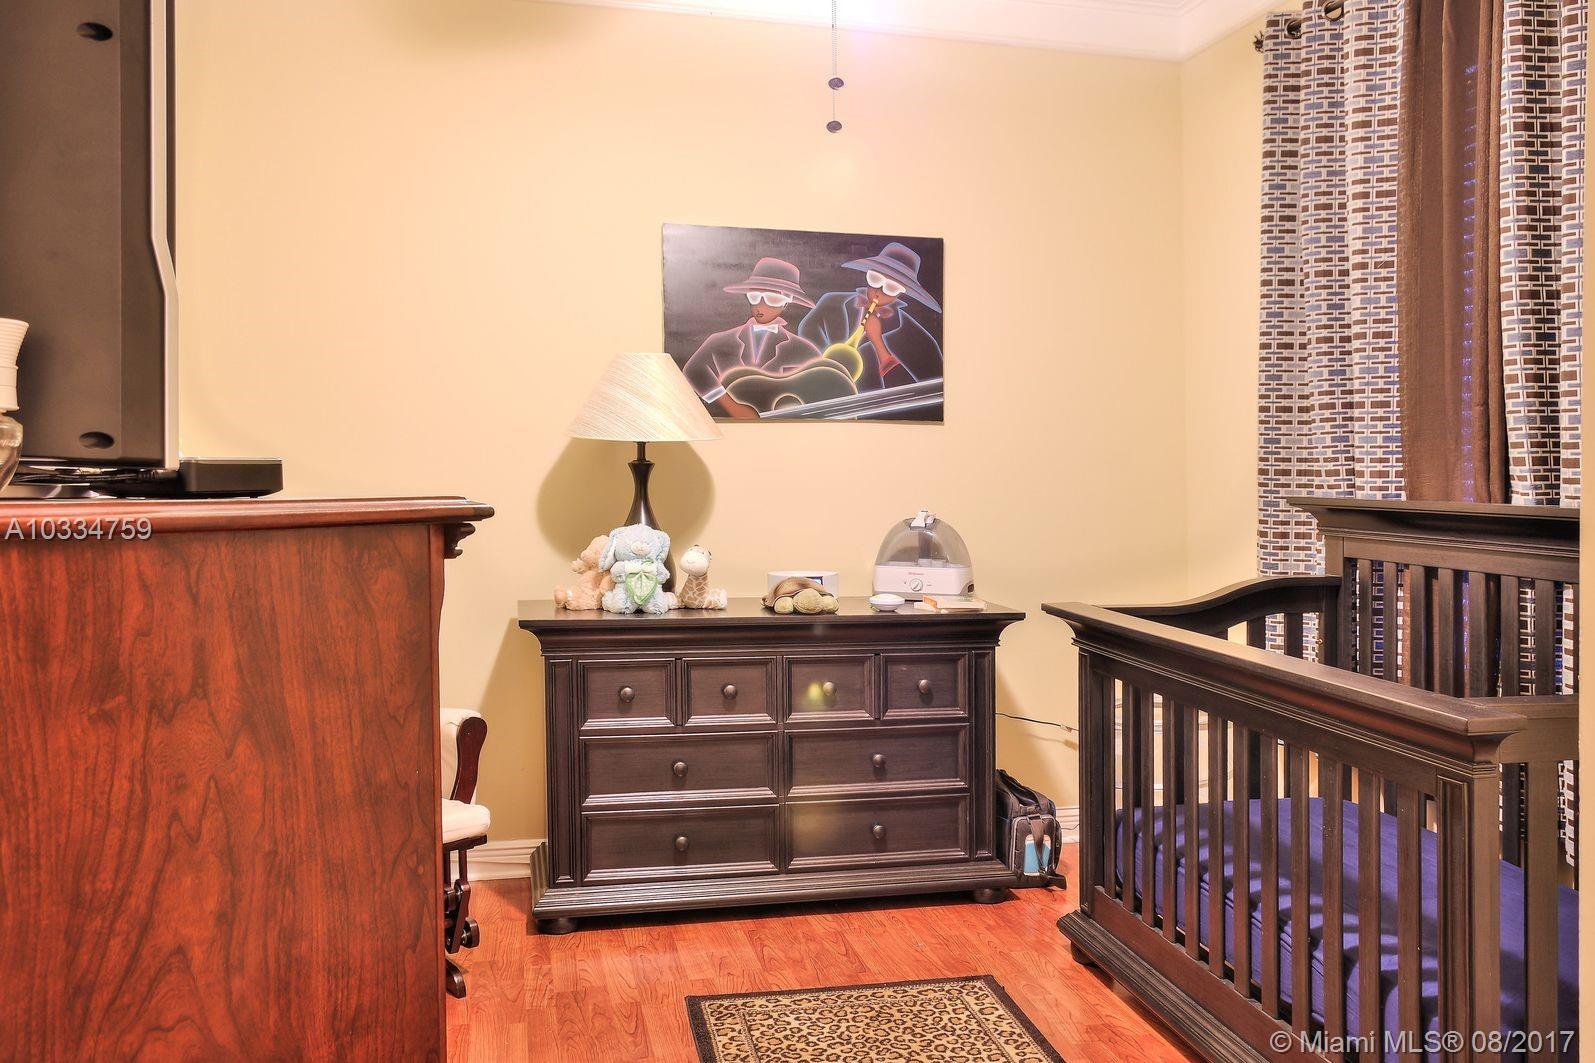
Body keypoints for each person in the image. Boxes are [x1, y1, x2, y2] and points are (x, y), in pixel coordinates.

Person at [682, 257, 821, 419]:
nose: (760, 306)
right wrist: (730, 405)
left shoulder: (804, 350)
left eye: (772, 299)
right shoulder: (720, 340)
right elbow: (693, 371)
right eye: (754, 296)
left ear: (786, 303)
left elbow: (817, 386)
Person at [796, 242, 943, 392]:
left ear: (901, 292)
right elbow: (806, 336)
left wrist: (877, 341)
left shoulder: (910, 332)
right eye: (875, 279)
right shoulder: (832, 301)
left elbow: (930, 385)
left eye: (891, 287)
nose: (879, 292)